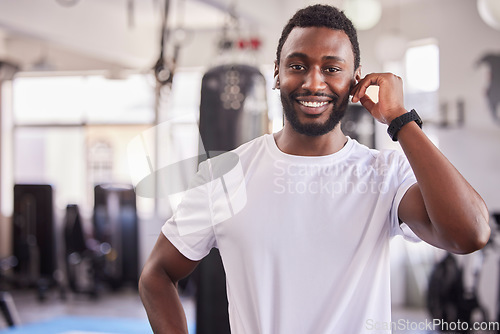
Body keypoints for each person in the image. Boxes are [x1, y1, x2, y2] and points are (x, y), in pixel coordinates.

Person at [139, 4, 491, 333]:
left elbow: (470, 233)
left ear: (356, 80)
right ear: (277, 74)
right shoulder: (224, 175)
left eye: (332, 69)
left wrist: (401, 120)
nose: (313, 82)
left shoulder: (386, 174)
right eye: (297, 65)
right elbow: (157, 274)